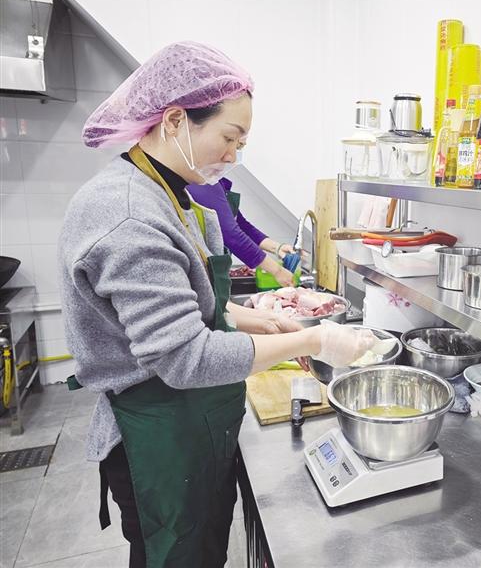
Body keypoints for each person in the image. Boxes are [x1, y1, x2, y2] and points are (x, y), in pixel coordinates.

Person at [58, 41, 376, 568]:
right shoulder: (130, 216)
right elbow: (185, 357)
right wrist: (315, 338)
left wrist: (263, 320)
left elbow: (193, 303)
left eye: (241, 143)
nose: (233, 155)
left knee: (203, 550)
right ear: (175, 120)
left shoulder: (168, 193)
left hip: (187, 425)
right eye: (229, 137)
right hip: (158, 434)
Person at [186, 176, 297, 287]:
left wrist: (277, 248)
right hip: (202, 272)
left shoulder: (216, 182)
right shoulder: (203, 182)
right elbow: (230, 234)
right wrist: (277, 271)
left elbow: (241, 225)